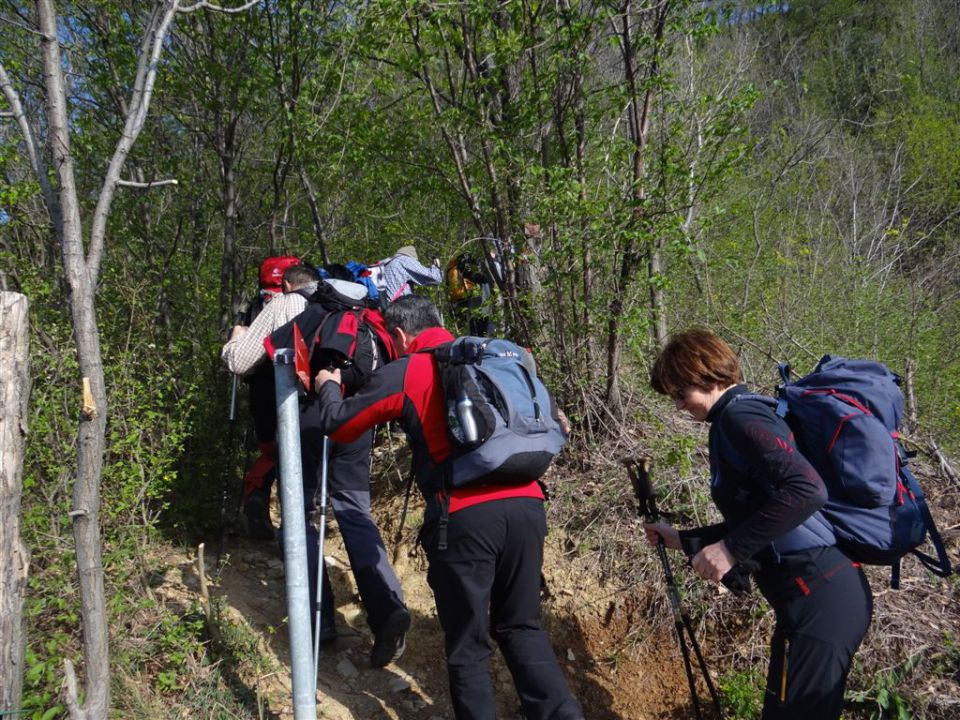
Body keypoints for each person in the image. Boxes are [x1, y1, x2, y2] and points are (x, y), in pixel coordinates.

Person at [313, 295, 584, 720]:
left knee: (468, 646)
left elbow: (339, 423)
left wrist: (327, 384)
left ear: (400, 335)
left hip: (464, 517)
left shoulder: (408, 370)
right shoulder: (493, 357)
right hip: (529, 505)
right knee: (522, 627)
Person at [643, 329, 873, 720]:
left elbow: (806, 490)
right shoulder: (739, 416)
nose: (679, 405)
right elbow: (764, 517)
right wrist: (683, 540)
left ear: (706, 376)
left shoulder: (739, 416)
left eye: (680, 393)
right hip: (818, 593)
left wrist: (730, 550)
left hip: (818, 596)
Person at [269, 263, 411, 667]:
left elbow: (263, 355)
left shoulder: (306, 308)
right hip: (355, 417)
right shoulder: (365, 316)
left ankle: (318, 621)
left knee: (304, 514)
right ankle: (387, 609)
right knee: (354, 510)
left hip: (313, 416)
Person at [223, 258, 310, 539]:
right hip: (300, 390)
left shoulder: (256, 306)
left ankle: (257, 498)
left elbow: (242, 358)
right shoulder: (309, 301)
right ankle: (294, 531)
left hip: (261, 386)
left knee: (271, 450)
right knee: (293, 453)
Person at [376, 245, 443, 303]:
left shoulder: (387, 262)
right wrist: (436, 266)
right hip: (399, 306)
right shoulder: (405, 260)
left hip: (385, 306)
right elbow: (435, 278)